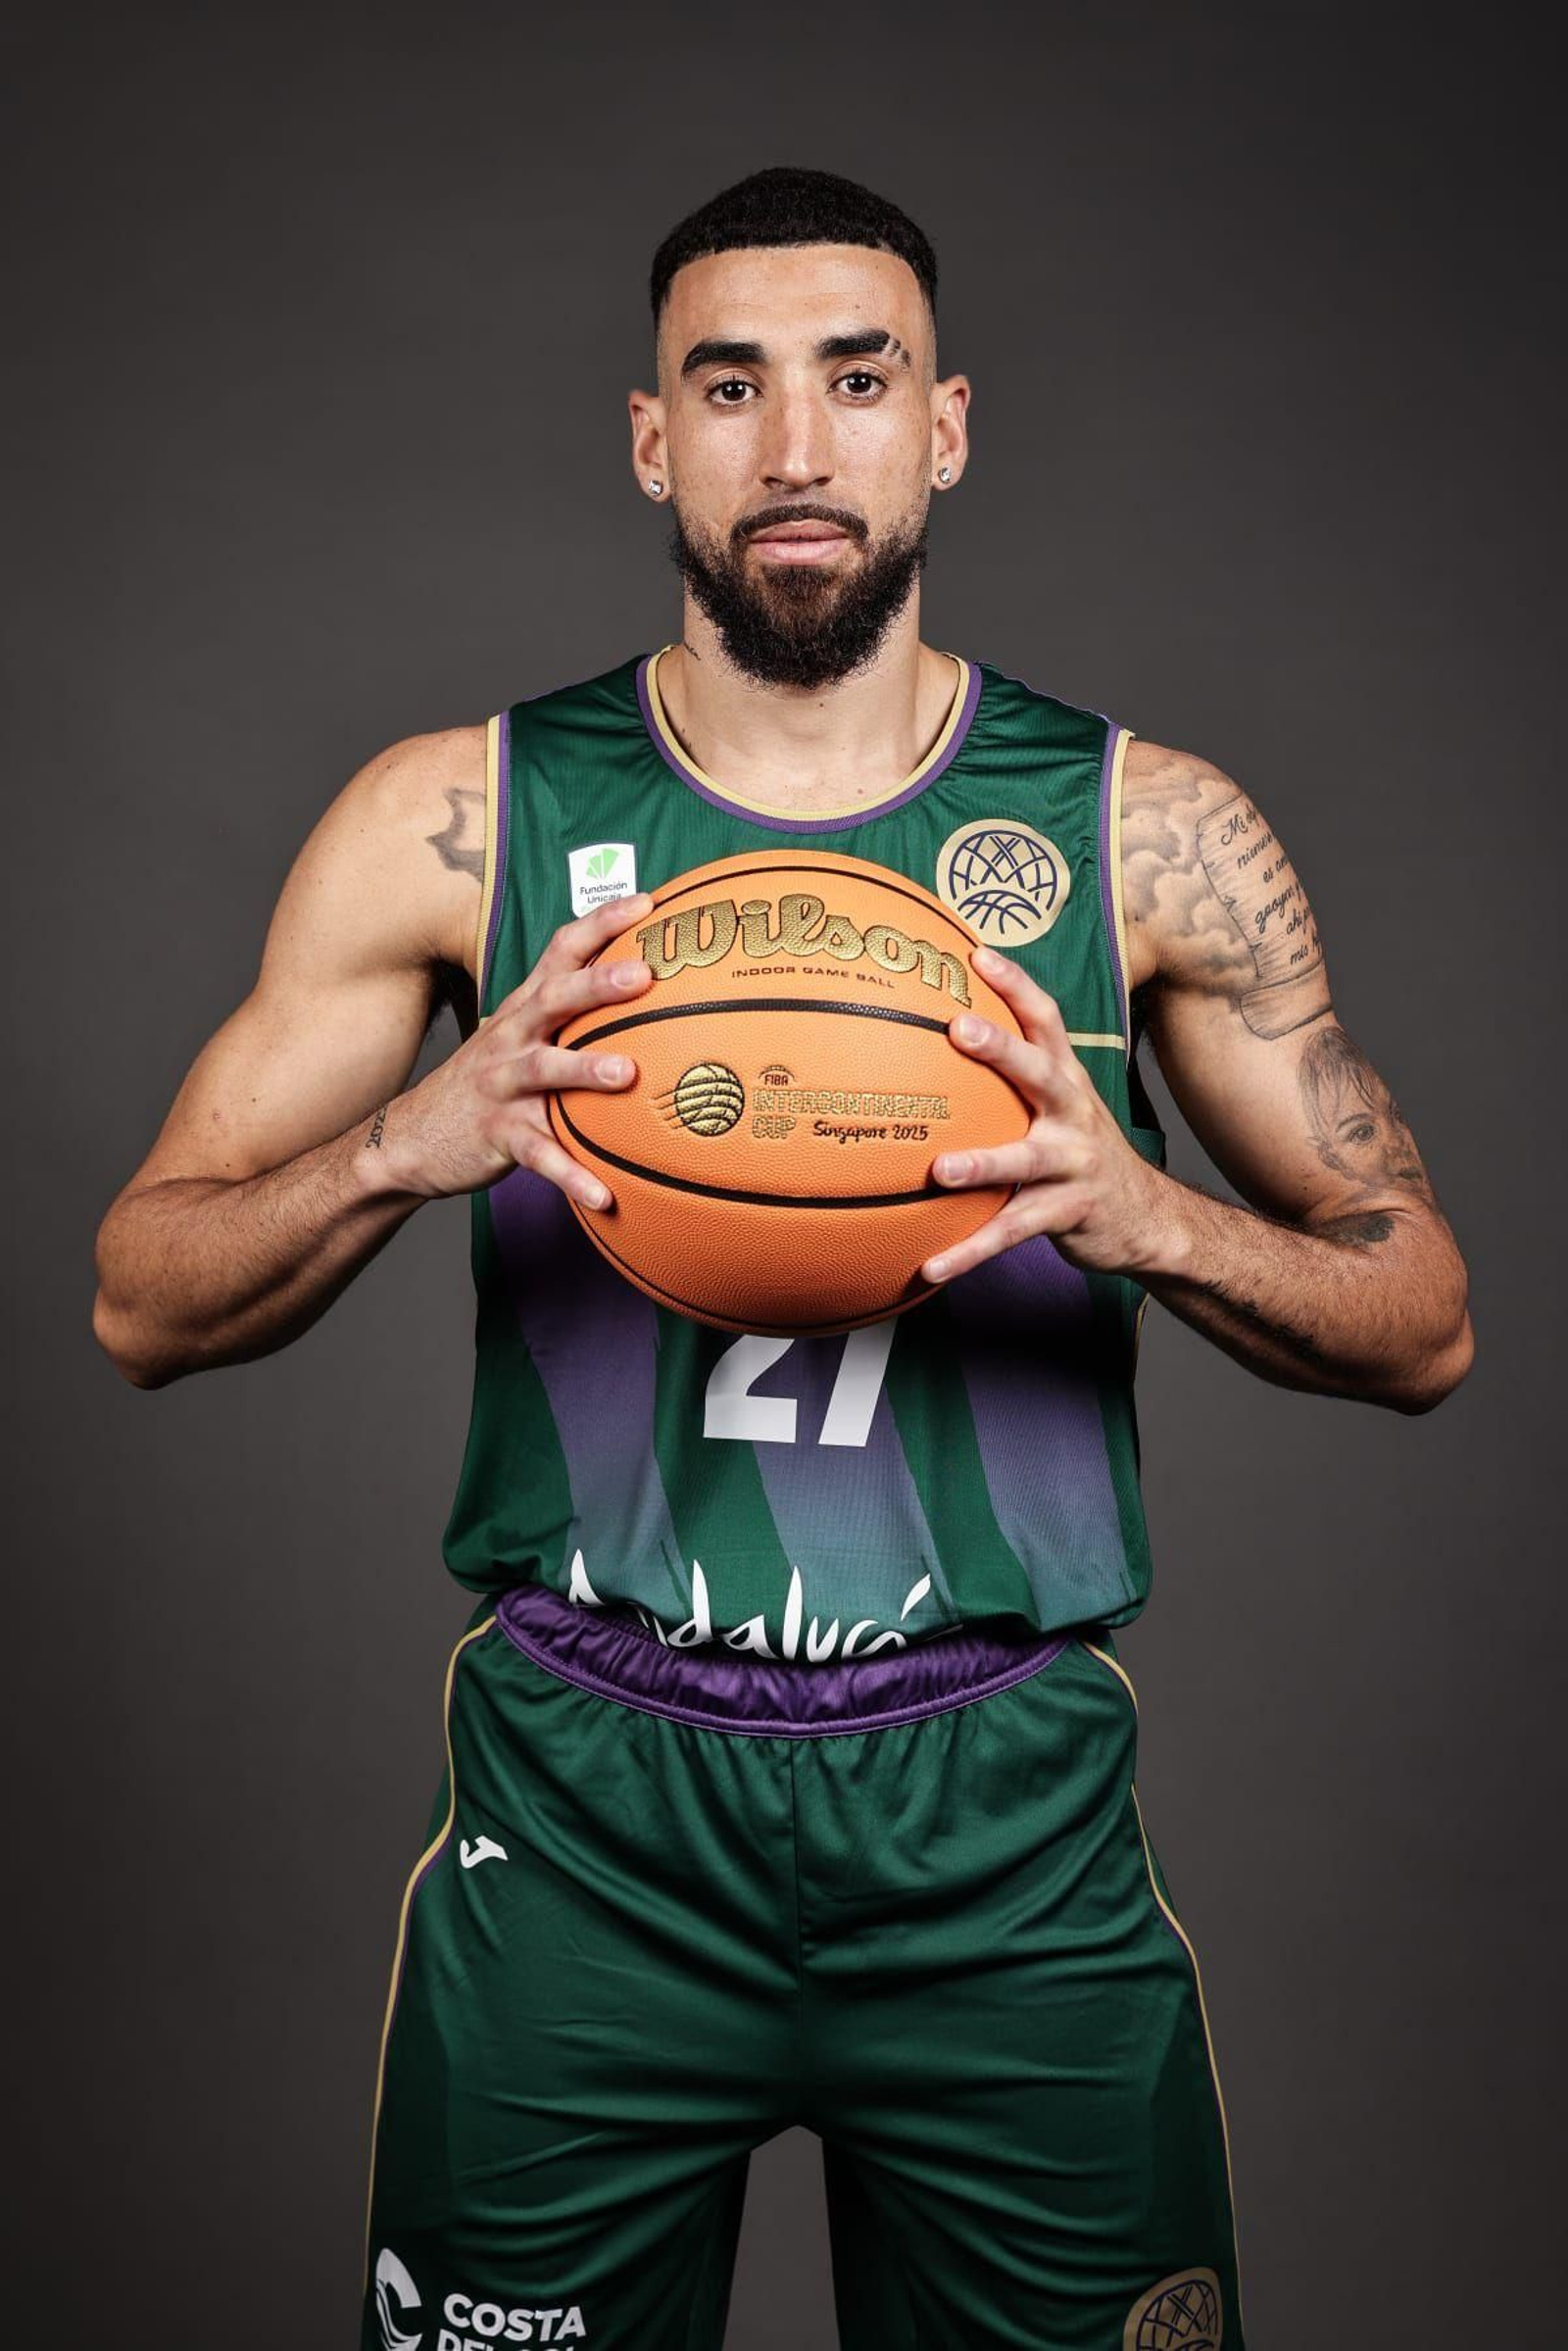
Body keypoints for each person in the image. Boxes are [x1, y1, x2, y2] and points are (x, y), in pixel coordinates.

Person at [93, 166, 1472, 2351]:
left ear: (945, 426)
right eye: (729, 387)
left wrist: (1145, 1212)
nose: (796, 447)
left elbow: (1422, 1321)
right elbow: (135, 1298)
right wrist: (403, 1144)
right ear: (653, 438)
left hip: (996, 1812)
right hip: (587, 1808)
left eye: (857, 379)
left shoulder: (1139, 832)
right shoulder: (456, 816)